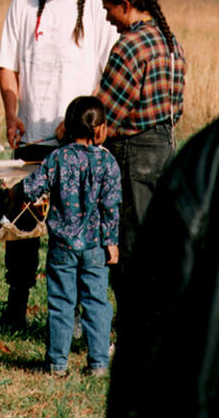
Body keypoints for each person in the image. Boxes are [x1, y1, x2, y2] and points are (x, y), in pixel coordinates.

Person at [0, 0, 118, 329]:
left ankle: (85, 314)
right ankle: (16, 305)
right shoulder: (24, 3)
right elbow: (8, 67)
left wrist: (82, 119)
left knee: (80, 231)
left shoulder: (99, 6)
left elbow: (109, 76)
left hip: (79, 143)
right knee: (22, 226)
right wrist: (12, 113)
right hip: (31, 138)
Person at [107, 118, 219, 417]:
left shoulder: (203, 165)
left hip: (135, 146)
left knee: (130, 249)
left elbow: (150, 323)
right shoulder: (201, 165)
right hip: (161, 141)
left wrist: (92, 120)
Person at [95, 0, 186, 331]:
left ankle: (134, 327)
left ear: (126, 5)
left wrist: (77, 125)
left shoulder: (129, 46)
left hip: (132, 153)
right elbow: (175, 105)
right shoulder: (170, 41)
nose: (106, 18)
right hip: (165, 146)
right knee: (158, 242)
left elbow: (108, 113)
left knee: (129, 247)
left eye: (109, 10)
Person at [13, 96, 121, 376]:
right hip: (95, 246)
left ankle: (57, 364)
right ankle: (98, 363)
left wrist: (12, 194)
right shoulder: (108, 162)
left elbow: (31, 188)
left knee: (61, 302)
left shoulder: (58, 158)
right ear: (99, 129)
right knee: (97, 302)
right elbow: (110, 207)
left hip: (61, 246)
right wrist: (112, 242)